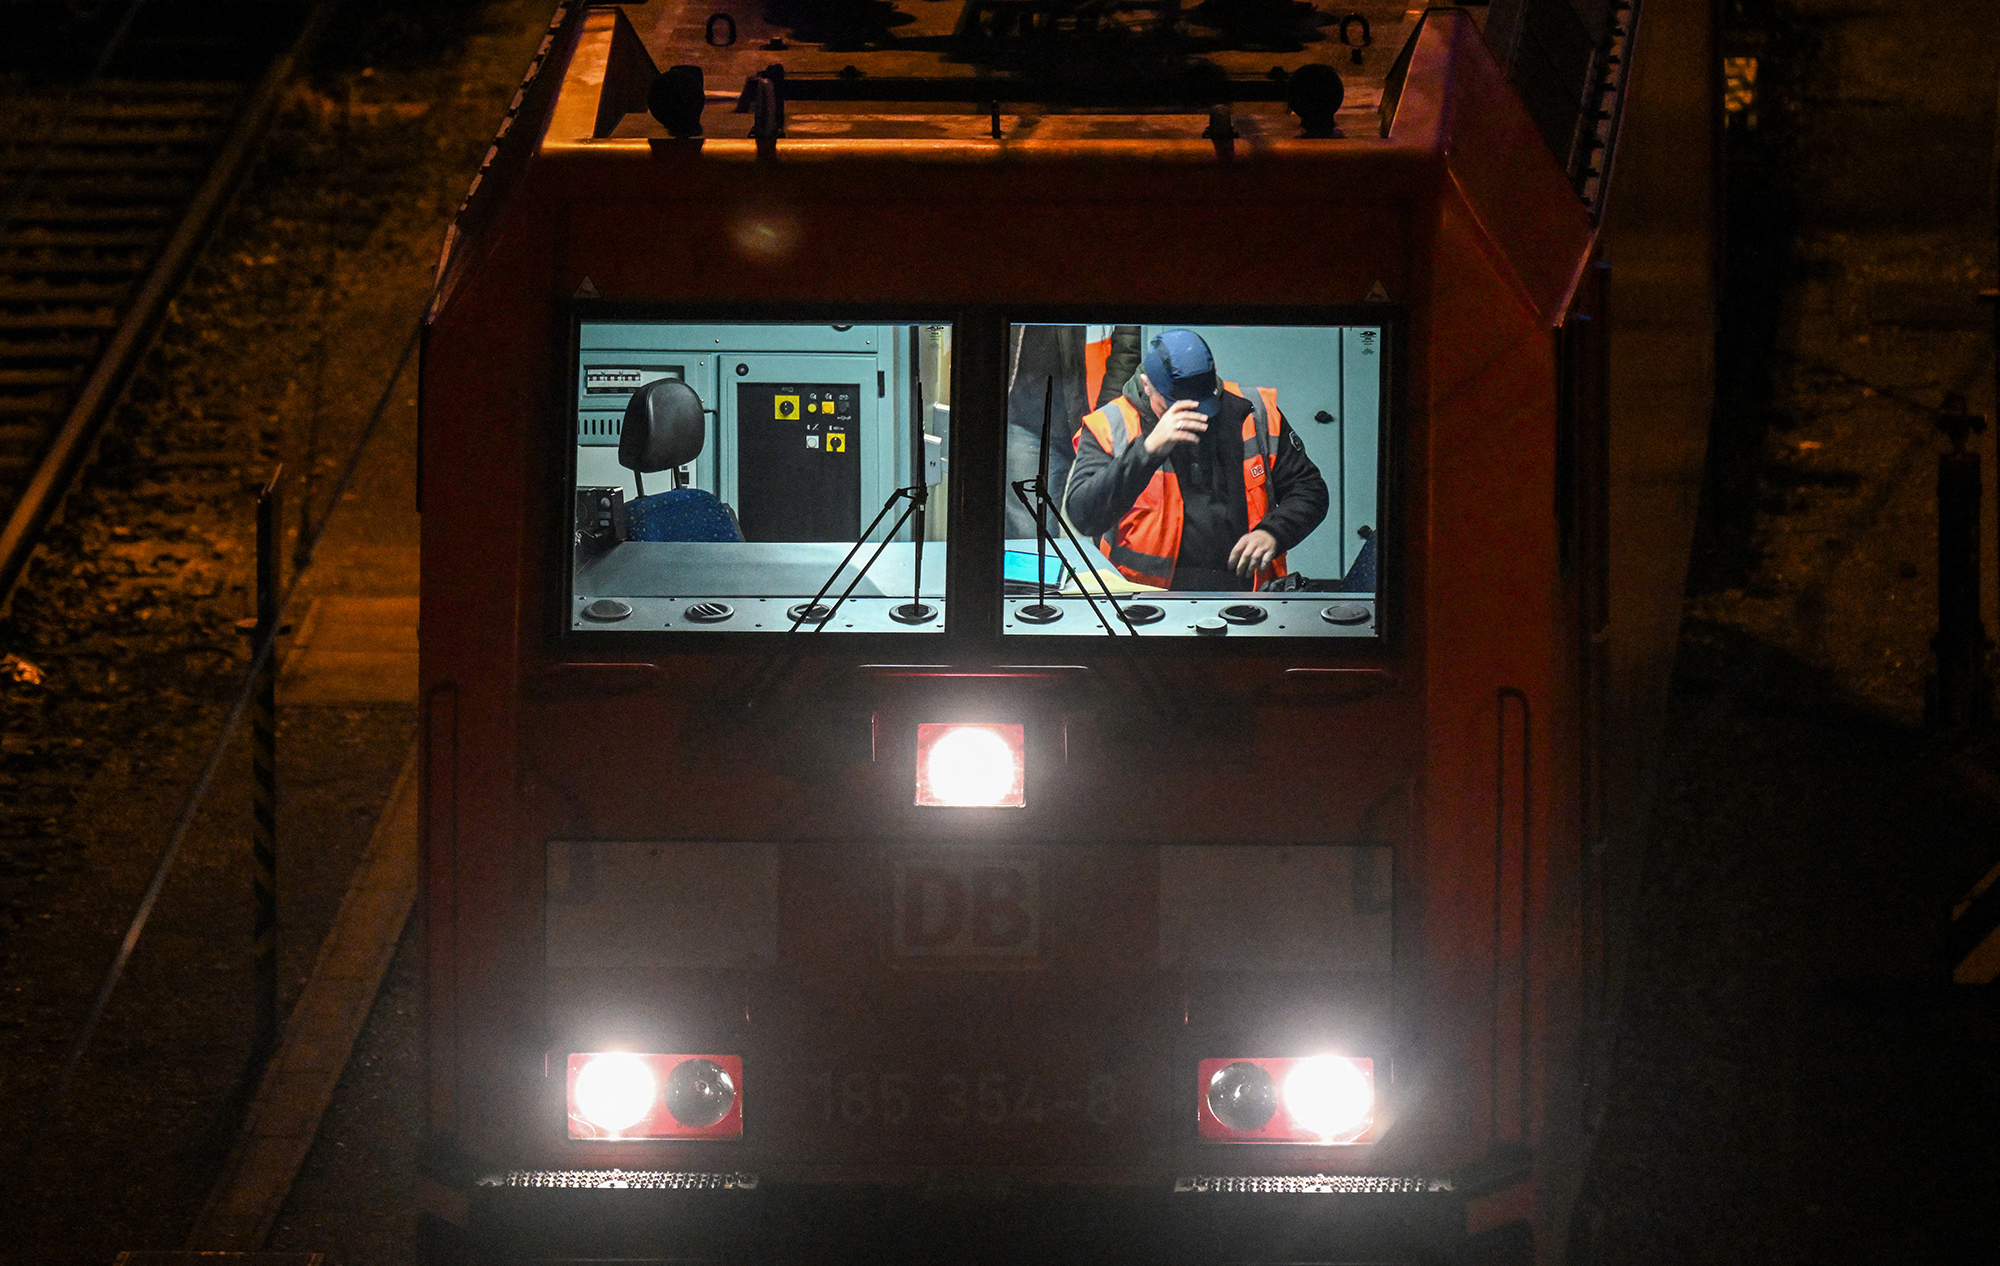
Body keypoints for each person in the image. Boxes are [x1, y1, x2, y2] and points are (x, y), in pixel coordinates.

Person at [1063, 329, 1327, 591]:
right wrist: (1149, 450)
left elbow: (1310, 490)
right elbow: (1084, 516)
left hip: (1248, 596)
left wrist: (1273, 533)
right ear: (1146, 385)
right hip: (1146, 603)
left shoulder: (1253, 412)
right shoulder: (1111, 424)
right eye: (1176, 407)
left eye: (1202, 405)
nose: (1195, 417)